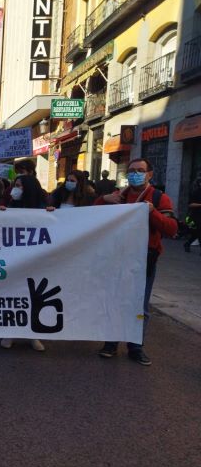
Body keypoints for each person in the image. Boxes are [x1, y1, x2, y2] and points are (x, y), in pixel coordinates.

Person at [95, 157, 178, 366]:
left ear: (150, 174)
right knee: (114, 300)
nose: (135, 174)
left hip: (144, 258)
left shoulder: (159, 198)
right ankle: (111, 343)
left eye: (140, 170)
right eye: (131, 170)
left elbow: (171, 229)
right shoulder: (118, 196)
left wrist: (153, 212)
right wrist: (104, 199)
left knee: (140, 304)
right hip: (116, 256)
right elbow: (92, 215)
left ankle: (136, 346)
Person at [0, 174, 49, 352]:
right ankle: (10, 332)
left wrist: (53, 215)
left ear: (28, 188)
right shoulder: (11, 204)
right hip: (13, 258)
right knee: (13, 295)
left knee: (31, 295)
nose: (15, 189)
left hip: (34, 258)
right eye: (15, 185)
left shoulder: (41, 207)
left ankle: (33, 334)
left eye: (19, 185)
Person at [184, 174, 201, 254]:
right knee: (198, 232)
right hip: (196, 216)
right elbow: (190, 204)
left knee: (196, 234)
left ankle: (187, 243)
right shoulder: (196, 192)